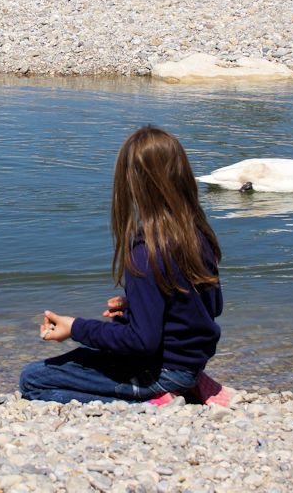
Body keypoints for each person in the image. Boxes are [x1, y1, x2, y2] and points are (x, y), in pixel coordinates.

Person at [19, 126, 228, 405]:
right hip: (190, 363)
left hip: (159, 371)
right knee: (77, 362)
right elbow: (210, 308)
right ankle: (187, 383)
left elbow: (141, 341)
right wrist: (138, 306)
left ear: (132, 184)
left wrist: (75, 327)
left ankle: (152, 400)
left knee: (32, 380)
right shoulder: (197, 236)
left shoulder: (146, 252)